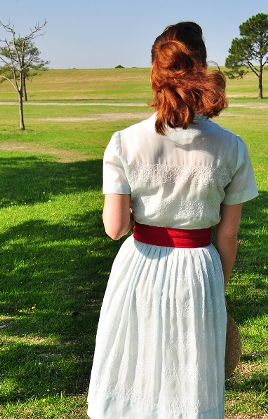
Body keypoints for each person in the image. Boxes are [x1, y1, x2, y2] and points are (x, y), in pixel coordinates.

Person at [87, 22, 258, 418]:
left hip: (140, 265)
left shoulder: (124, 142)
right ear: (200, 67)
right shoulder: (231, 147)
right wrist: (217, 283)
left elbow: (115, 228)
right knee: (188, 375)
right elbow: (228, 235)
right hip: (200, 269)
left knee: (136, 366)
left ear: (155, 72)